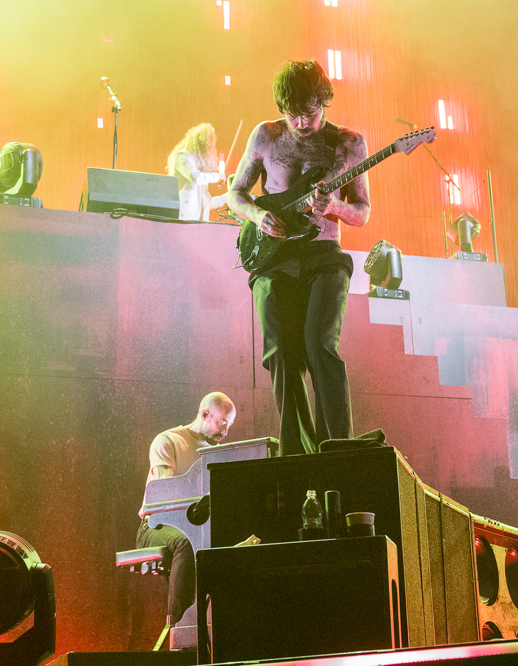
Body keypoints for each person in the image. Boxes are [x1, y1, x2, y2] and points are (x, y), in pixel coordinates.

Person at [227, 59, 371, 456]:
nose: (302, 123)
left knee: (319, 344)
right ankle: (298, 453)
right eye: (292, 115)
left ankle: (336, 451)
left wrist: (335, 208)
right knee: (280, 353)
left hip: (324, 255)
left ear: (323, 101)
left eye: (310, 113)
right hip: (273, 258)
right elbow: (235, 193)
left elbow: (362, 211)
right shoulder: (266, 135)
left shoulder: (348, 144)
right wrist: (258, 215)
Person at [136, 392, 236, 624]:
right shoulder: (168, 441)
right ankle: (180, 624)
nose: (225, 432)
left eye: (229, 425)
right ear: (204, 414)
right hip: (155, 526)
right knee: (186, 543)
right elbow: (166, 498)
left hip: (196, 526)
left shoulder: (214, 453)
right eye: (222, 423)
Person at [167, 123, 228, 221]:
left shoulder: (201, 171)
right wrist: (218, 176)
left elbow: (207, 203)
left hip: (195, 223)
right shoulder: (182, 156)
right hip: (182, 219)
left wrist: (228, 197)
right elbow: (195, 177)